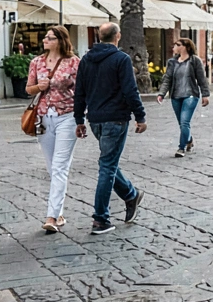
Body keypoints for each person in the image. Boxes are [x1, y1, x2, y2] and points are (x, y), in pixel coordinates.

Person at [73, 23, 146, 235]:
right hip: (115, 118)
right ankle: (100, 219)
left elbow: (80, 91)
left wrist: (79, 119)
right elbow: (130, 90)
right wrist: (140, 116)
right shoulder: (121, 59)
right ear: (118, 36)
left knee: (109, 163)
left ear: (99, 36)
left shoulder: (86, 59)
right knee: (107, 166)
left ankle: (131, 195)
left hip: (95, 119)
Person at [26, 27, 80, 232]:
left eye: (50, 38)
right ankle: (59, 213)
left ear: (60, 40)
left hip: (68, 115)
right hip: (43, 118)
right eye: (45, 38)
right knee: (52, 167)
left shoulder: (74, 62)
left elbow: (82, 89)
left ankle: (51, 217)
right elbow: (28, 89)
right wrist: (39, 87)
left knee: (59, 166)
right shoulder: (36, 62)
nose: (45, 41)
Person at [156, 38, 210, 157]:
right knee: (182, 123)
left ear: (186, 47)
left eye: (177, 45)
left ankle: (181, 148)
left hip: (190, 95)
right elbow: (167, 79)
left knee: (185, 122)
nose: (174, 47)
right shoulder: (172, 62)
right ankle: (189, 140)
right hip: (176, 95)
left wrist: (205, 94)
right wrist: (161, 93)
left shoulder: (195, 61)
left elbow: (202, 78)